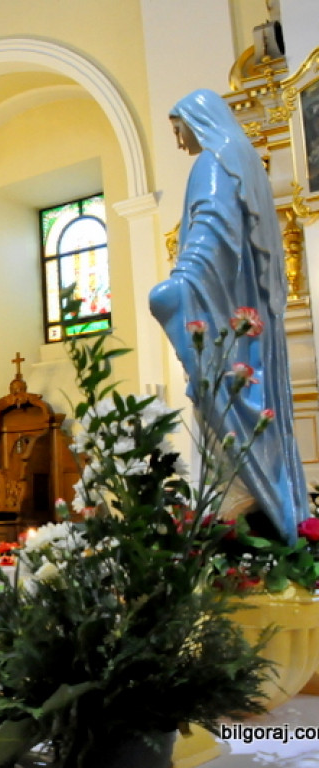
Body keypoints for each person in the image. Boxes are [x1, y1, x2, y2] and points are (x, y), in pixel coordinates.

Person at [149, 88, 310, 543]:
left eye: (177, 127)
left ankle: (245, 538)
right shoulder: (239, 161)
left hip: (230, 324)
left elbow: (212, 234)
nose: (178, 139)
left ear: (196, 121)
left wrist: (180, 286)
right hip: (245, 315)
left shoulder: (213, 162)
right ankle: (264, 525)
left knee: (232, 432)